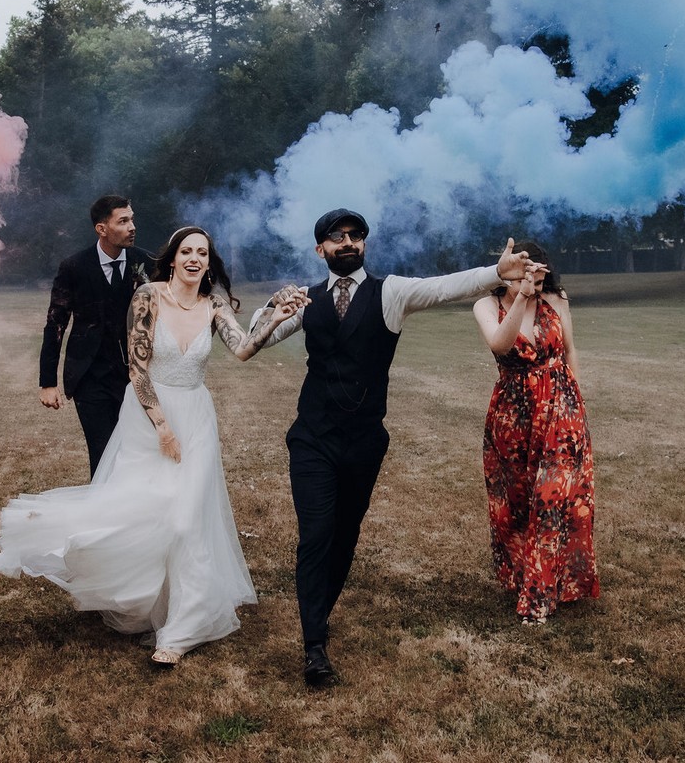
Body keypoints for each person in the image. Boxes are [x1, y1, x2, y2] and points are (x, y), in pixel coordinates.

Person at [0, 226, 300, 666]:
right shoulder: (149, 296)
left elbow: (243, 349)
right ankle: (89, 559)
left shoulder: (215, 304)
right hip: (149, 416)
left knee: (188, 519)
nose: (194, 259)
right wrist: (163, 428)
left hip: (197, 417)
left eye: (202, 254)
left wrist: (275, 318)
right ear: (172, 258)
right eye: (186, 251)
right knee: (140, 509)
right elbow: (137, 367)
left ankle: (181, 629)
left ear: (210, 263)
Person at [254, 209, 538, 686]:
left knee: (344, 535)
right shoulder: (306, 300)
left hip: (364, 440)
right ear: (319, 249)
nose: (347, 243)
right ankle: (314, 646)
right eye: (336, 237)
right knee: (316, 534)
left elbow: (445, 285)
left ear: (364, 245)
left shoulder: (392, 292)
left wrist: (496, 273)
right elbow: (258, 339)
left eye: (355, 236)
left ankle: (319, 617)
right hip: (312, 438)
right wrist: (272, 305)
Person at [472, 242, 598, 624]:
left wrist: (575, 399)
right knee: (517, 503)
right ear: (506, 271)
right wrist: (521, 299)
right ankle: (530, 576)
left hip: (561, 408)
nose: (535, 281)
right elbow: (500, 343)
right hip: (513, 415)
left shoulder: (557, 301)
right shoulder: (486, 305)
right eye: (526, 274)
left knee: (552, 498)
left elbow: (570, 349)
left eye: (540, 274)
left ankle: (539, 598)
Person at [39, 194, 155, 476]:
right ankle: (105, 516)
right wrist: (47, 382)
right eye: (123, 221)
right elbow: (56, 323)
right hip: (90, 377)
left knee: (138, 452)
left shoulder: (147, 263)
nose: (132, 227)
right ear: (101, 229)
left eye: (132, 219)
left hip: (137, 374)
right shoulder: (74, 267)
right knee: (103, 456)